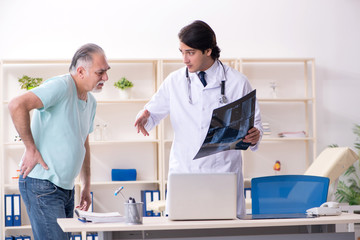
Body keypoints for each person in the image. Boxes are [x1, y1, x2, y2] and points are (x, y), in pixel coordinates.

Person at [134, 20, 262, 217]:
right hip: (185, 171)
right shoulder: (174, 81)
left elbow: (255, 126)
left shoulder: (237, 82)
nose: (184, 59)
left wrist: (255, 135)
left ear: (208, 50)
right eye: (182, 52)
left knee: (225, 230)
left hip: (223, 173)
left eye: (190, 52)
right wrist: (145, 116)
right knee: (184, 230)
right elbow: (153, 110)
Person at [8, 43, 110, 239]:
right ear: (81, 71)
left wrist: (86, 186)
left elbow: (83, 144)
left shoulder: (91, 101)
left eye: (106, 71)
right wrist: (30, 149)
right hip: (42, 184)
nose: (105, 78)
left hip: (66, 188)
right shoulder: (62, 86)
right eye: (100, 72)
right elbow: (16, 105)